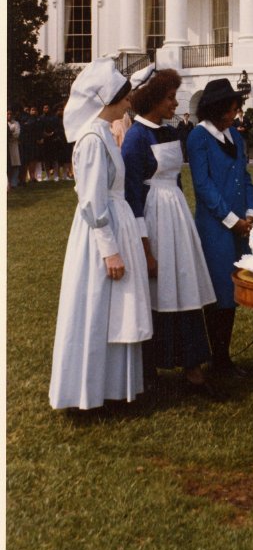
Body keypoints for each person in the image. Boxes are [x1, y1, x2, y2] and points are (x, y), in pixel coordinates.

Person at [49, 58, 152, 411]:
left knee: (115, 309)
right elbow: (92, 200)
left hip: (114, 222)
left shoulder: (103, 133)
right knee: (96, 308)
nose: (127, 104)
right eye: (123, 99)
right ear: (106, 101)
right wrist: (109, 250)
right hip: (100, 232)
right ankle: (89, 390)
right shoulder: (93, 139)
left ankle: (112, 387)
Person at [121, 67, 217, 396]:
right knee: (156, 293)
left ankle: (192, 365)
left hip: (175, 216)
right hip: (152, 219)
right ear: (151, 100)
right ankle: (150, 369)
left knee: (185, 285)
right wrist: (144, 248)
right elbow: (132, 196)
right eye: (169, 98)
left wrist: (182, 223)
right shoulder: (135, 138)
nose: (175, 104)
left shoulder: (170, 132)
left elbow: (176, 179)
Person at [187, 79, 253, 378]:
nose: (233, 114)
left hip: (241, 224)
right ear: (214, 108)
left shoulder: (236, 138)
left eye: (235, 109)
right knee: (218, 292)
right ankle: (216, 356)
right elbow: (202, 186)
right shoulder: (198, 137)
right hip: (216, 226)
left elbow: (246, 176)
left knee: (233, 291)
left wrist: (251, 213)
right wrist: (232, 220)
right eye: (229, 109)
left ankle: (223, 357)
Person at [7, 110, 21, 189]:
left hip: (14, 145)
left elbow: (17, 134)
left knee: (15, 164)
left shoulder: (16, 123)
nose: (9, 115)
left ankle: (14, 183)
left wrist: (10, 134)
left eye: (10, 114)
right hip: (6, 145)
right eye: (7, 114)